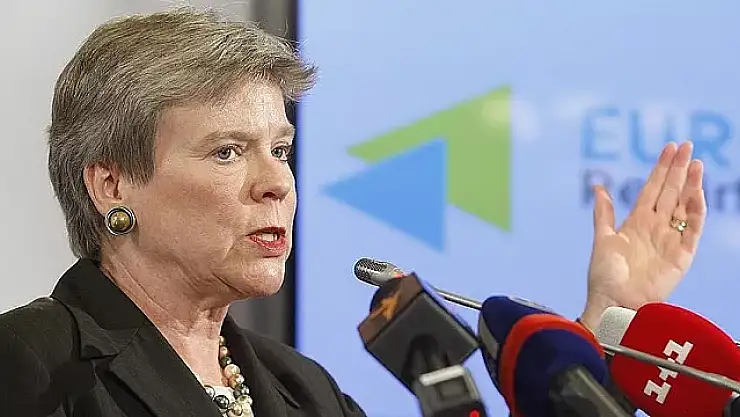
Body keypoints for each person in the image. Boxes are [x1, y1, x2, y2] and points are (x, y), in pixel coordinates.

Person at [0, 7, 706, 417]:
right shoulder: (30, 364)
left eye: (281, 149)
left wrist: (605, 326)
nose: (276, 183)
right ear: (112, 185)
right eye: (227, 151)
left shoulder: (300, 388)